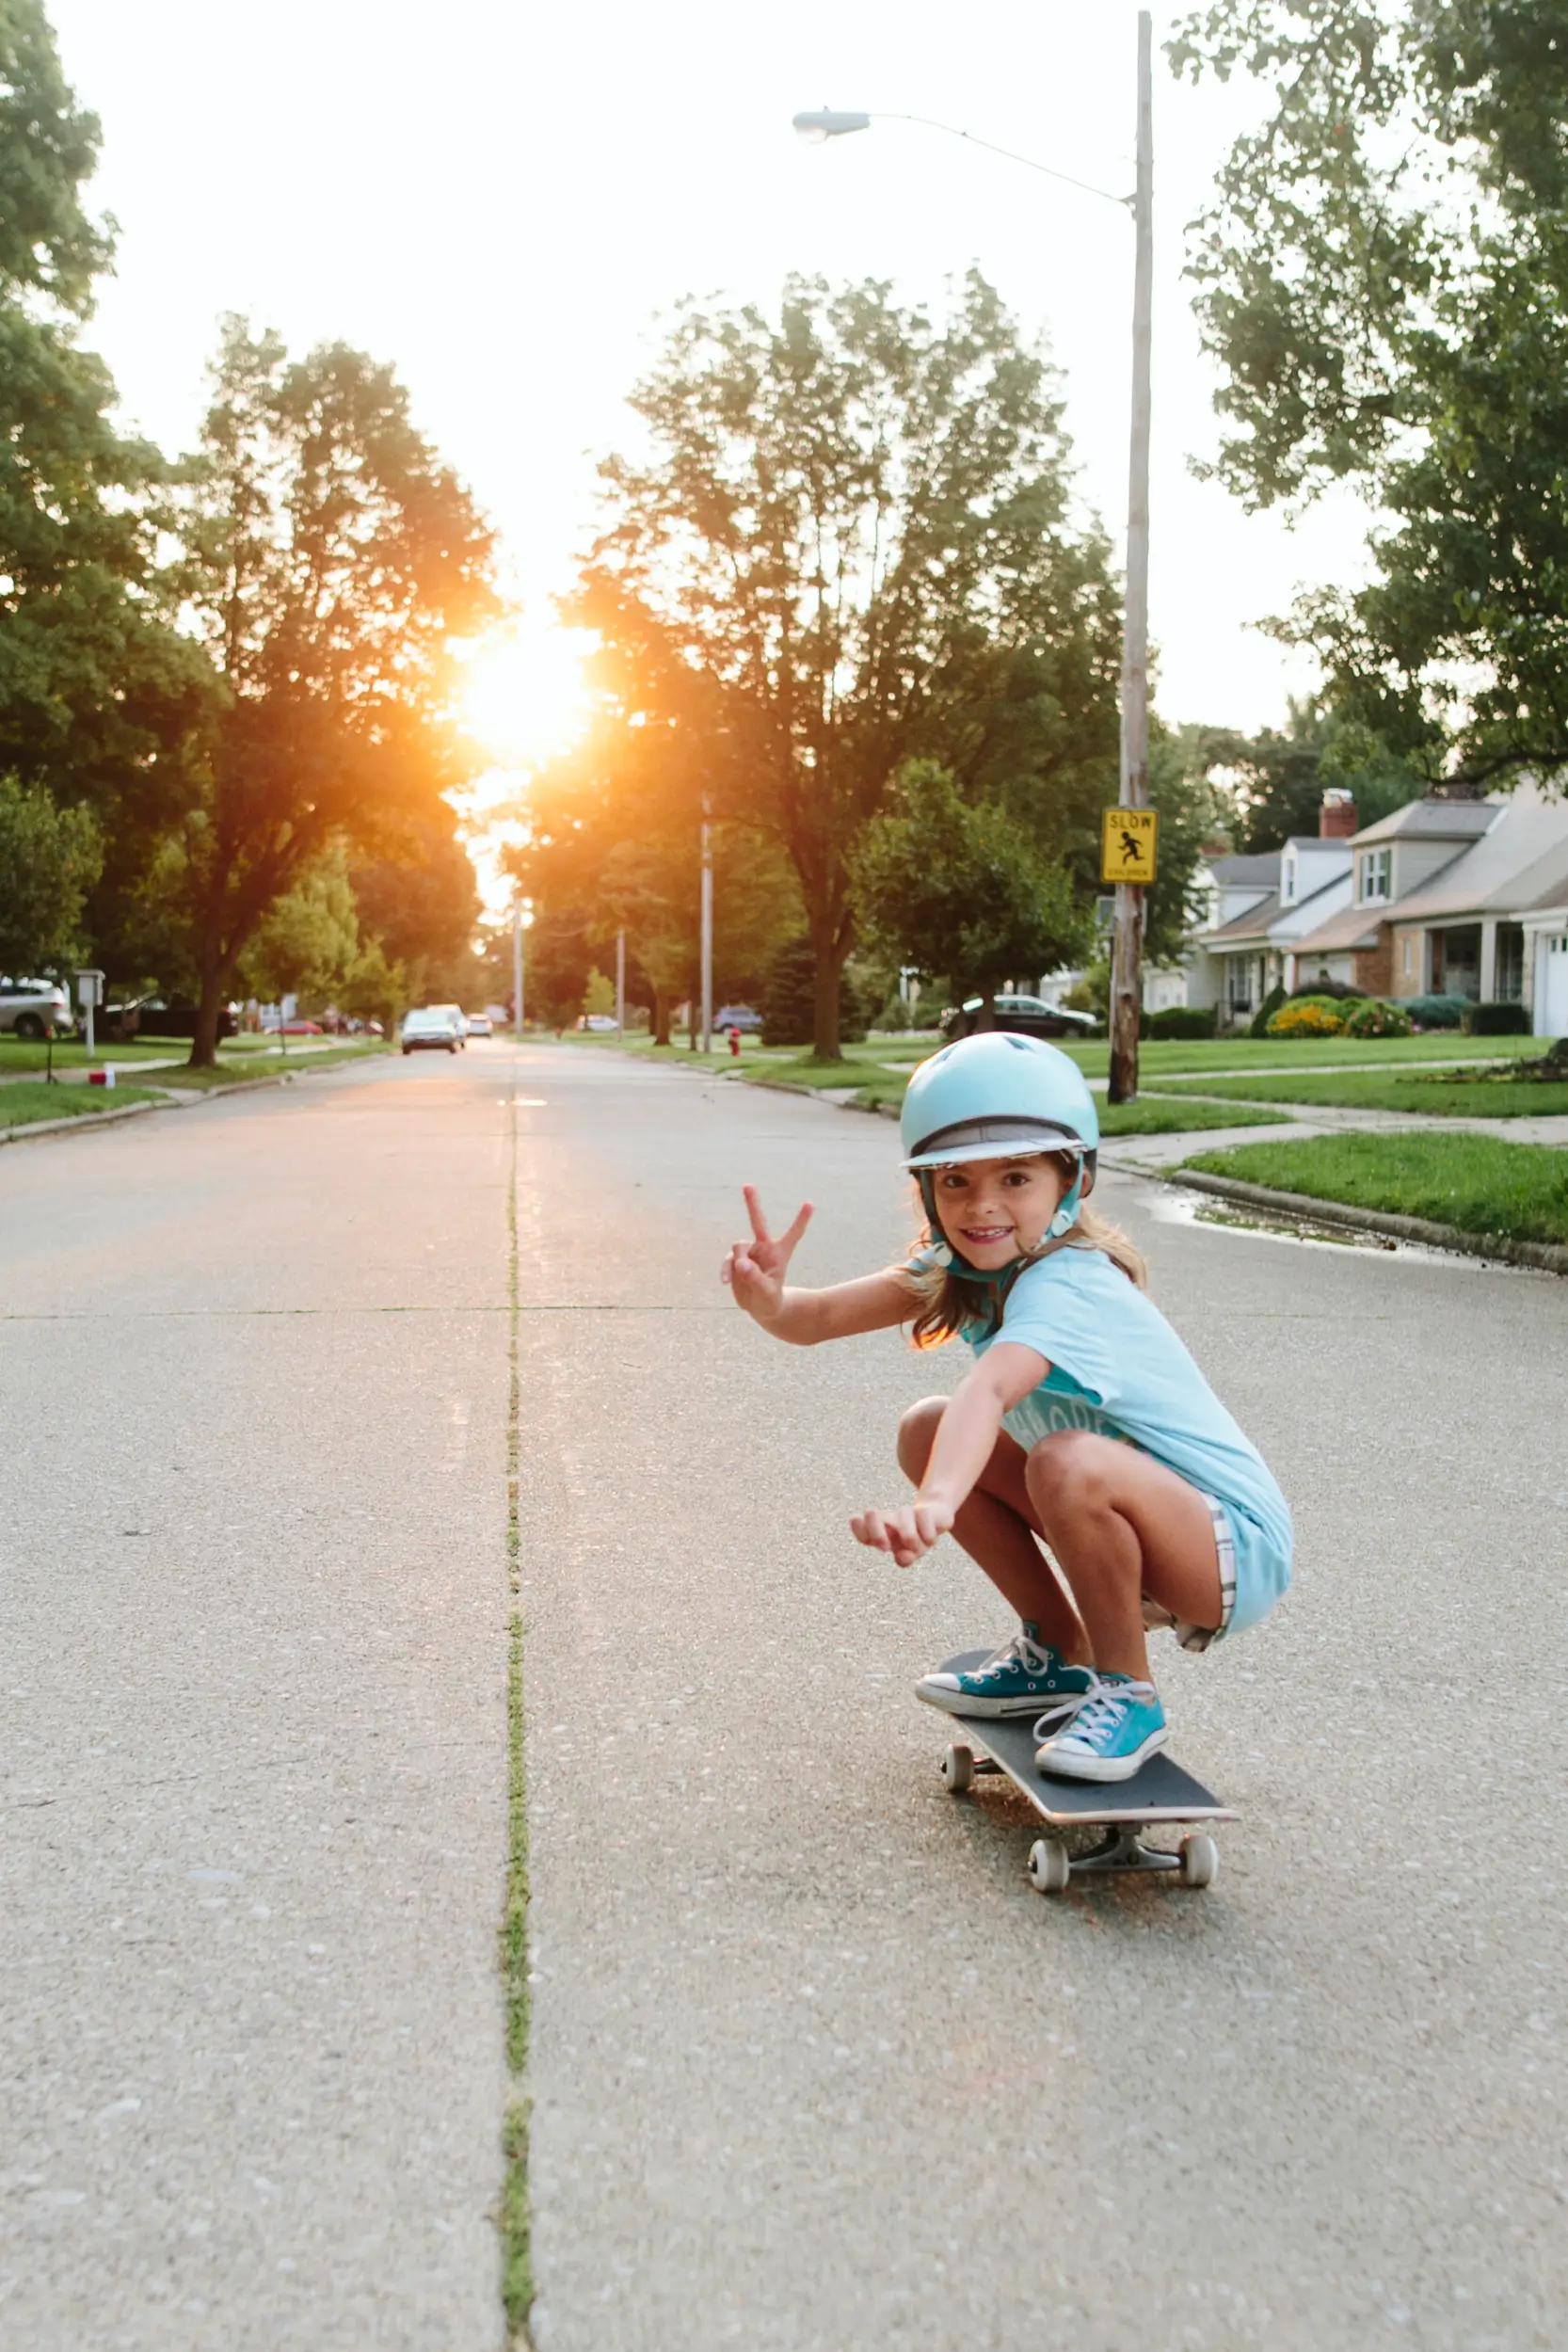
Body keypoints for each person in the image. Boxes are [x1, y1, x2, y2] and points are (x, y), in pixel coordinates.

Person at [721, 1032, 1291, 1783]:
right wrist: (769, 1302)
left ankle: (1130, 1691)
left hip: (1229, 1549)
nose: (983, 1205)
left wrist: (934, 1504)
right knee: (926, 1428)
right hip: (1139, 1519)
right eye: (955, 1180)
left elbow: (988, 1390)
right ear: (927, 1190)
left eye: (1016, 1177)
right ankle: (1056, 1648)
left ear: (1072, 1179)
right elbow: (818, 1318)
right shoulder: (961, 1267)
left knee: (1064, 1459)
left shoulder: (1069, 1283)